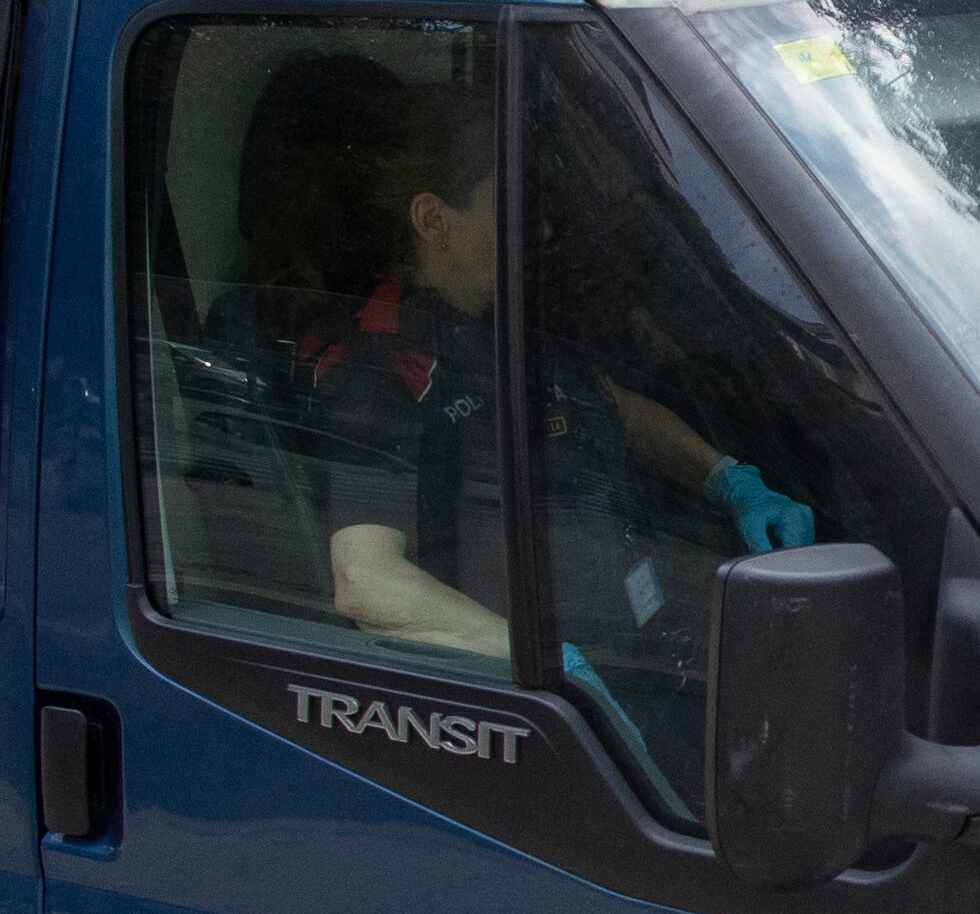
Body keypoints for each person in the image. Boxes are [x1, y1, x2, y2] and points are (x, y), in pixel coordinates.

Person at [254, 64, 816, 671]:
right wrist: (539, 669)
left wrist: (730, 480)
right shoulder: (381, 369)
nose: (540, 227)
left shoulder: (500, 314)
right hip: (551, 700)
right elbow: (366, 579)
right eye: (511, 205)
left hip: (640, 641)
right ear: (433, 219)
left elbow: (609, 405)